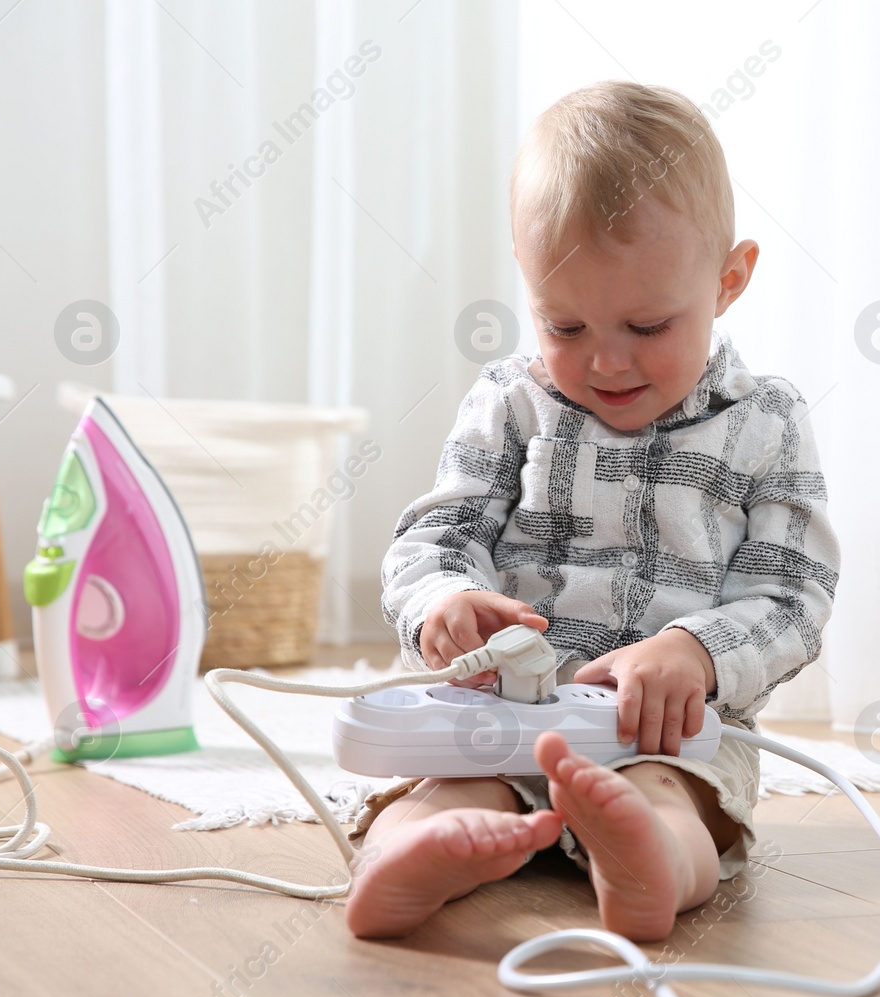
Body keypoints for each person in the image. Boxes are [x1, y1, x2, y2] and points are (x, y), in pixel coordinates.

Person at [345, 81, 840, 942]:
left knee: (669, 800)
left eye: (648, 324)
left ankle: (645, 857)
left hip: (670, 731)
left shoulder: (768, 421)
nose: (606, 361)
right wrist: (443, 604)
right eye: (564, 325)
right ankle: (415, 853)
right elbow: (437, 534)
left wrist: (695, 650)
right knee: (447, 789)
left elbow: (793, 597)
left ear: (729, 281)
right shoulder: (510, 400)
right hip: (501, 712)